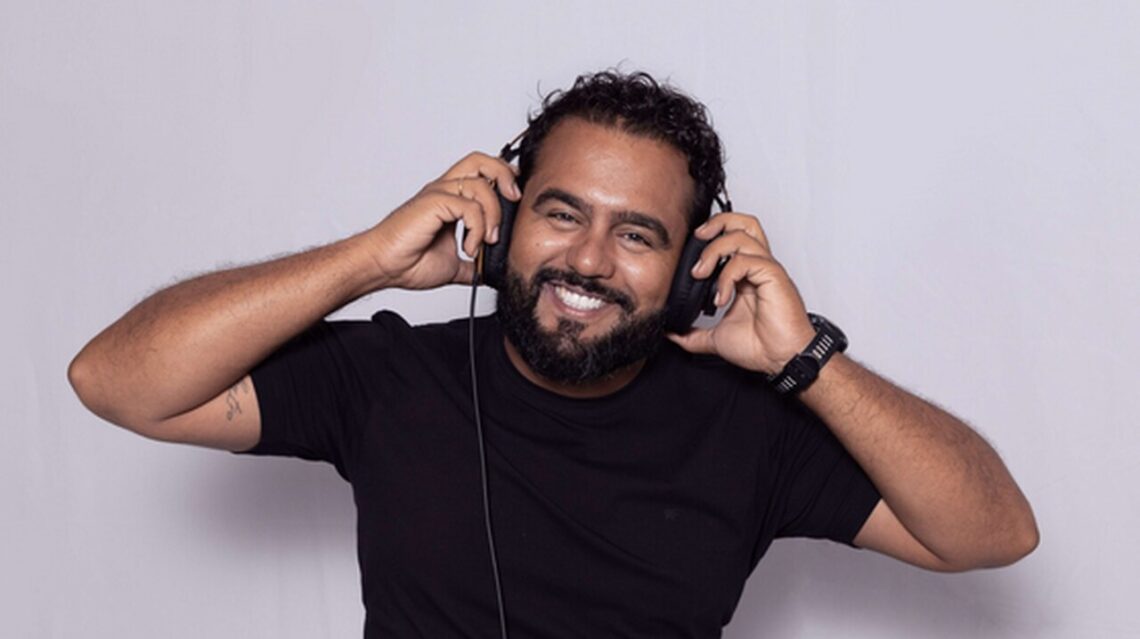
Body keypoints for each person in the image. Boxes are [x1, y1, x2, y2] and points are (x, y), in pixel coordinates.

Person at [69, 70, 1038, 638]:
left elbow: (990, 535)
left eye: (637, 234)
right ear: (500, 224)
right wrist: (368, 260)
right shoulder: (389, 379)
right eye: (561, 214)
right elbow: (115, 381)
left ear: (692, 271)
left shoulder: (756, 423)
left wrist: (809, 358)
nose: (587, 260)